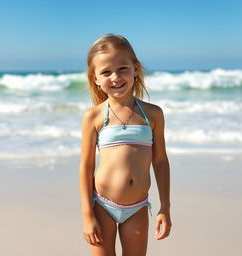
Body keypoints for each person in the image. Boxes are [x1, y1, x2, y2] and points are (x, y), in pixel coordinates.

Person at [79, 34, 172, 256]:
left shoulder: (153, 114)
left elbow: (160, 161)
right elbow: (86, 167)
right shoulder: (94, 117)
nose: (115, 77)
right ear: (95, 79)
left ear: (135, 68)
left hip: (137, 207)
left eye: (122, 68)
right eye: (106, 72)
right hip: (102, 206)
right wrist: (87, 215)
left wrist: (165, 208)